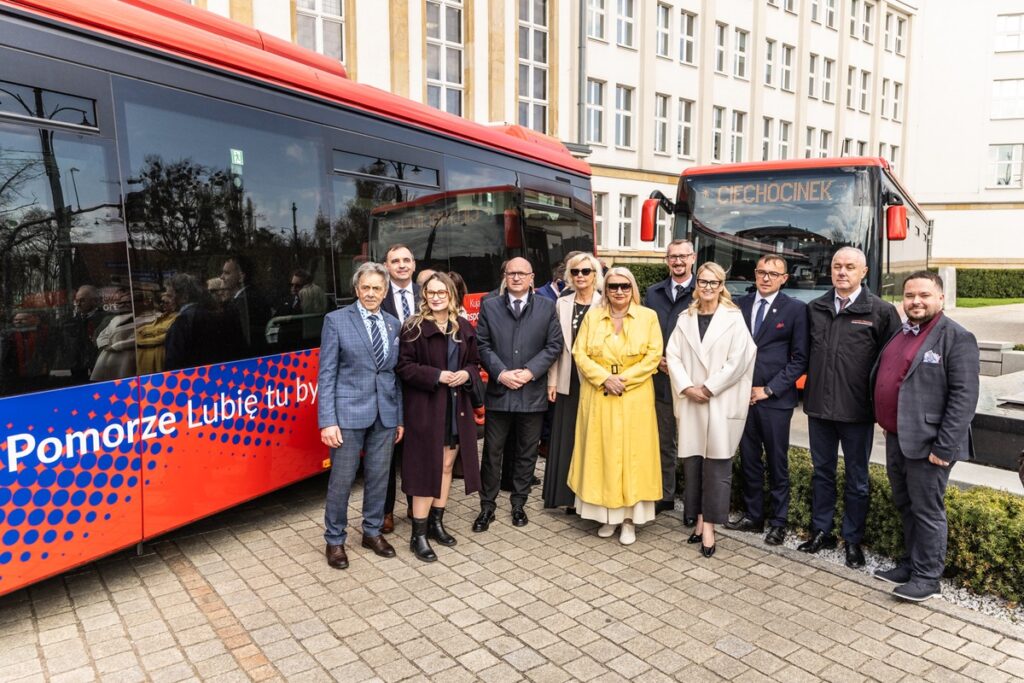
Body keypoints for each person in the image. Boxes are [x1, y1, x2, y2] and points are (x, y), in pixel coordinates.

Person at [871, 272, 979, 601]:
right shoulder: (903, 332)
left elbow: (964, 398)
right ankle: (911, 564)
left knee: (927, 510)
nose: (916, 301)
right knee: (906, 504)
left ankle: (928, 577)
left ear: (940, 298)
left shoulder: (957, 337)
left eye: (924, 295)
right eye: (909, 295)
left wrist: (944, 448)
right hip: (897, 437)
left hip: (931, 443)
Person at [800, 246, 901, 568]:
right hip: (819, 409)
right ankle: (821, 531)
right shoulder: (815, 308)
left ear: (864, 272)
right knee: (822, 474)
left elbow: (892, 366)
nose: (842, 272)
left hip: (857, 412)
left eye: (849, 267)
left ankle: (853, 540)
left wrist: (885, 411)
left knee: (857, 479)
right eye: (837, 266)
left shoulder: (881, 312)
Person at [666, 262, 757, 558]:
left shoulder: (734, 318)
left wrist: (708, 388)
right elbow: (673, 356)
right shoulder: (685, 318)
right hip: (692, 400)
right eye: (703, 282)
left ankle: (709, 527)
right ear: (697, 285)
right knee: (693, 464)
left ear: (721, 286)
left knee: (717, 466)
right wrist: (687, 387)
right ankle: (698, 518)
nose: (707, 287)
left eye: (713, 282)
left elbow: (740, 359)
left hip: (719, 400)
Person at [318, 262, 404, 570]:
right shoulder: (336, 321)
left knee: (379, 477)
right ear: (356, 289)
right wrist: (328, 421)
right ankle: (334, 540)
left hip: (385, 414)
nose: (370, 293)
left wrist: (399, 418)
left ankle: (372, 531)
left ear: (385, 291)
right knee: (341, 481)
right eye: (365, 287)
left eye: (376, 288)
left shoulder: (394, 324)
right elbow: (326, 374)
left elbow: (394, 375)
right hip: (347, 416)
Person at [568, 267, 661, 545]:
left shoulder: (648, 317)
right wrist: (604, 379)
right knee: (601, 454)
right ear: (605, 289)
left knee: (633, 457)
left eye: (624, 286)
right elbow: (579, 352)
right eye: (613, 286)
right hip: (599, 395)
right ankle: (607, 516)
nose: (619, 291)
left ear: (633, 288)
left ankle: (629, 520)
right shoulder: (593, 317)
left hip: (634, 397)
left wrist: (623, 380)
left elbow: (654, 355)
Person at [397, 273, 482, 561]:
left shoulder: (463, 326)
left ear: (451, 296)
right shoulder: (413, 328)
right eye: (430, 293)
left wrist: (466, 374)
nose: (435, 297)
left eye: (441, 293)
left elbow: (474, 362)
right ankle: (418, 535)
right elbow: (404, 367)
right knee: (427, 468)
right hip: (426, 409)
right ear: (424, 296)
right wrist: (437, 376)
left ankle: (436, 523)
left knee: (446, 466)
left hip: (456, 408)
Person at [474, 256, 563, 531]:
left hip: (531, 392)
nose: (516, 278)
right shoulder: (490, 306)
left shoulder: (546, 307)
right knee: (492, 453)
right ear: (505, 276)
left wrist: (529, 372)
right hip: (499, 392)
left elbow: (554, 344)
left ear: (531, 277)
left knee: (527, 452)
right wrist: (500, 373)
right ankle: (487, 507)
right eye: (511, 273)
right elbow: (482, 344)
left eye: (521, 274)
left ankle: (518, 504)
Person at [727, 255, 809, 546]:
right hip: (741, 398)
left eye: (773, 274)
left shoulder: (796, 309)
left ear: (784, 279)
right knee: (749, 460)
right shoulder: (739, 305)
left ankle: (778, 522)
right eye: (761, 272)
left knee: (777, 462)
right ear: (755, 274)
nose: (766, 278)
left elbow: (800, 359)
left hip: (774, 400)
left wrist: (769, 389)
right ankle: (753, 516)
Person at [543, 253, 603, 512]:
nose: (580, 276)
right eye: (575, 271)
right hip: (568, 380)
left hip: (595, 381)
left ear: (595, 275)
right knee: (567, 437)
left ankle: (589, 497)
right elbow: (555, 346)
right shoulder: (562, 303)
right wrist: (552, 381)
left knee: (591, 438)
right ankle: (567, 497)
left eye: (586, 271)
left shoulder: (605, 303)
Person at [644, 239, 697, 517]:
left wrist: (678, 364)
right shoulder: (653, 293)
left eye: (683, 256)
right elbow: (644, 332)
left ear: (693, 258)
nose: (678, 261)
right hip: (661, 380)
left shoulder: (703, 291)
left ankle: (692, 505)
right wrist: (656, 359)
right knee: (664, 441)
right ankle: (665, 496)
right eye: (673, 257)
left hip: (692, 382)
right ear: (667, 260)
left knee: (693, 445)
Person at [380, 244, 421, 534]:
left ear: (414, 264)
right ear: (387, 266)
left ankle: (414, 502)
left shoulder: (427, 294)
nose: (402, 265)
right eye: (395, 261)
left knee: (415, 450)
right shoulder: (377, 296)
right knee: (386, 454)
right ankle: (385, 512)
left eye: (406, 260)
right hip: (387, 386)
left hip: (420, 385)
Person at [221, 255, 271, 354]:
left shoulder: (244, 303)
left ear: (241, 277)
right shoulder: (253, 296)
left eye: (227, 273)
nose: (221, 277)